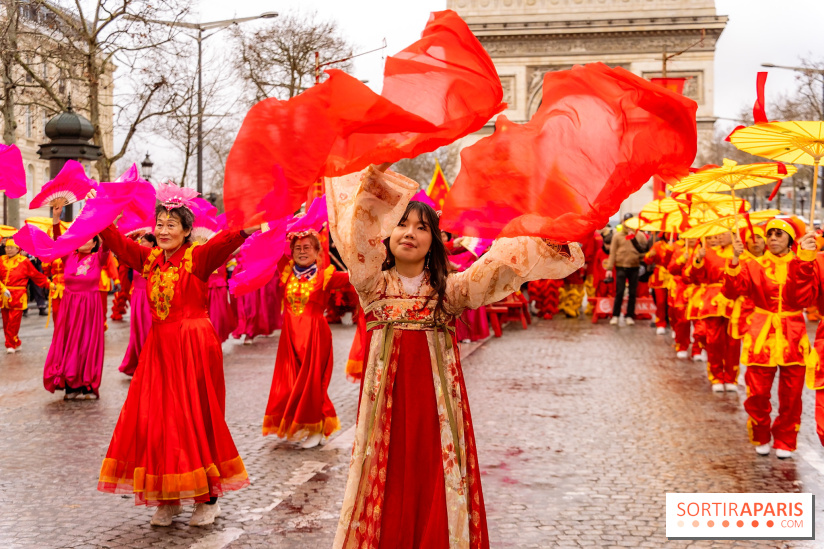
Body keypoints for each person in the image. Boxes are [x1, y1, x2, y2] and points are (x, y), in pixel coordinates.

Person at [327, 164, 583, 549]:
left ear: (435, 241)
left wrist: (552, 227)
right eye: (401, 224)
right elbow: (356, 234)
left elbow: (501, 265)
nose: (410, 233)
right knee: (386, 472)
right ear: (387, 235)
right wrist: (374, 173)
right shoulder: (372, 284)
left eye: (422, 227)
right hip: (386, 409)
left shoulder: (451, 291)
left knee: (435, 475)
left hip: (437, 408)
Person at [96, 186, 256, 526]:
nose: (164, 230)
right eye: (160, 223)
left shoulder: (197, 258)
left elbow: (225, 242)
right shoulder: (149, 260)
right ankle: (167, 496)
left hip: (194, 346)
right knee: (156, 421)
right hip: (158, 351)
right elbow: (118, 245)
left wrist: (248, 225)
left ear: (186, 231)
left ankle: (207, 497)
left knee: (195, 418)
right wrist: (99, 214)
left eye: (172, 225)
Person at [725, 217, 817, 459]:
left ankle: (786, 440)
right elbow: (731, 290)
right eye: (770, 234)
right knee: (757, 393)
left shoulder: (801, 263)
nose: (773, 238)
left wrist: (806, 261)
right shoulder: (753, 265)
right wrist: (734, 259)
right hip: (760, 335)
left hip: (793, 335)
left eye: (779, 234)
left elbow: (803, 299)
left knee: (791, 395)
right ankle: (761, 434)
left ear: (790, 239)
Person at [262, 230, 350, 448]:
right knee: (291, 383)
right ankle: (302, 423)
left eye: (307, 248)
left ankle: (317, 427)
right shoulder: (285, 272)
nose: (302, 252)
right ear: (291, 252)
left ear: (318, 251)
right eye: (298, 248)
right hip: (289, 338)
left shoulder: (326, 276)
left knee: (313, 384)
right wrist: (292, 223)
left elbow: (355, 278)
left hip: (315, 336)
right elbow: (270, 241)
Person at [43, 203, 110, 399]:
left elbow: (108, 243)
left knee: (87, 344)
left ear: (95, 243)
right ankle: (71, 384)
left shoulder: (99, 258)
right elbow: (58, 240)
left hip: (90, 307)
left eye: (89, 238)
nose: (84, 241)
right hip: (69, 306)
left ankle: (87, 383)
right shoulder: (68, 257)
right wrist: (56, 218)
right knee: (69, 342)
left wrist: (103, 219)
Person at [683, 231, 738, 393]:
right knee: (714, 341)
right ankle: (715, 376)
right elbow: (692, 276)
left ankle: (731, 377)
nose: (719, 237)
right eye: (715, 235)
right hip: (712, 301)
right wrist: (698, 259)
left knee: (733, 343)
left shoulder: (740, 252)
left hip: (733, 301)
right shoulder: (707, 252)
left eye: (723, 234)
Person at [0, 238, 49, 353]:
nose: (8, 250)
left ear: (18, 249)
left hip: (18, 295)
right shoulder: (1, 260)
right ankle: (15, 342)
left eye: (11, 248)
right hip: (4, 295)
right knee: (6, 322)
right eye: (7, 247)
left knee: (14, 321)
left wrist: (49, 284)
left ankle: (10, 344)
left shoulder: (24, 261)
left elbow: (36, 276)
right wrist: (2, 288)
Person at [118, 233, 156, 376]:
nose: (141, 243)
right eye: (141, 241)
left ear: (152, 243)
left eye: (144, 241)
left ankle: (151, 362)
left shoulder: (157, 257)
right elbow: (123, 255)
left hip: (150, 297)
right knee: (137, 330)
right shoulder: (135, 257)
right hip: (137, 297)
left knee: (148, 329)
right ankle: (139, 362)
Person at [606, 216, 648, 325]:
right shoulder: (617, 236)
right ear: (622, 222)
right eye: (625, 221)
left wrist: (643, 261)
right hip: (621, 266)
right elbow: (612, 253)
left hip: (635, 267)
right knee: (619, 292)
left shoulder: (640, 236)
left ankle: (629, 315)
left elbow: (644, 251)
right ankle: (615, 315)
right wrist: (609, 268)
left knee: (632, 293)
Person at [644, 234, 673, 335]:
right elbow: (647, 261)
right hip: (659, 276)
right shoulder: (656, 245)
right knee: (660, 302)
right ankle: (660, 323)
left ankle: (674, 324)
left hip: (673, 276)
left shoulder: (679, 245)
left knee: (673, 302)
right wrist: (650, 255)